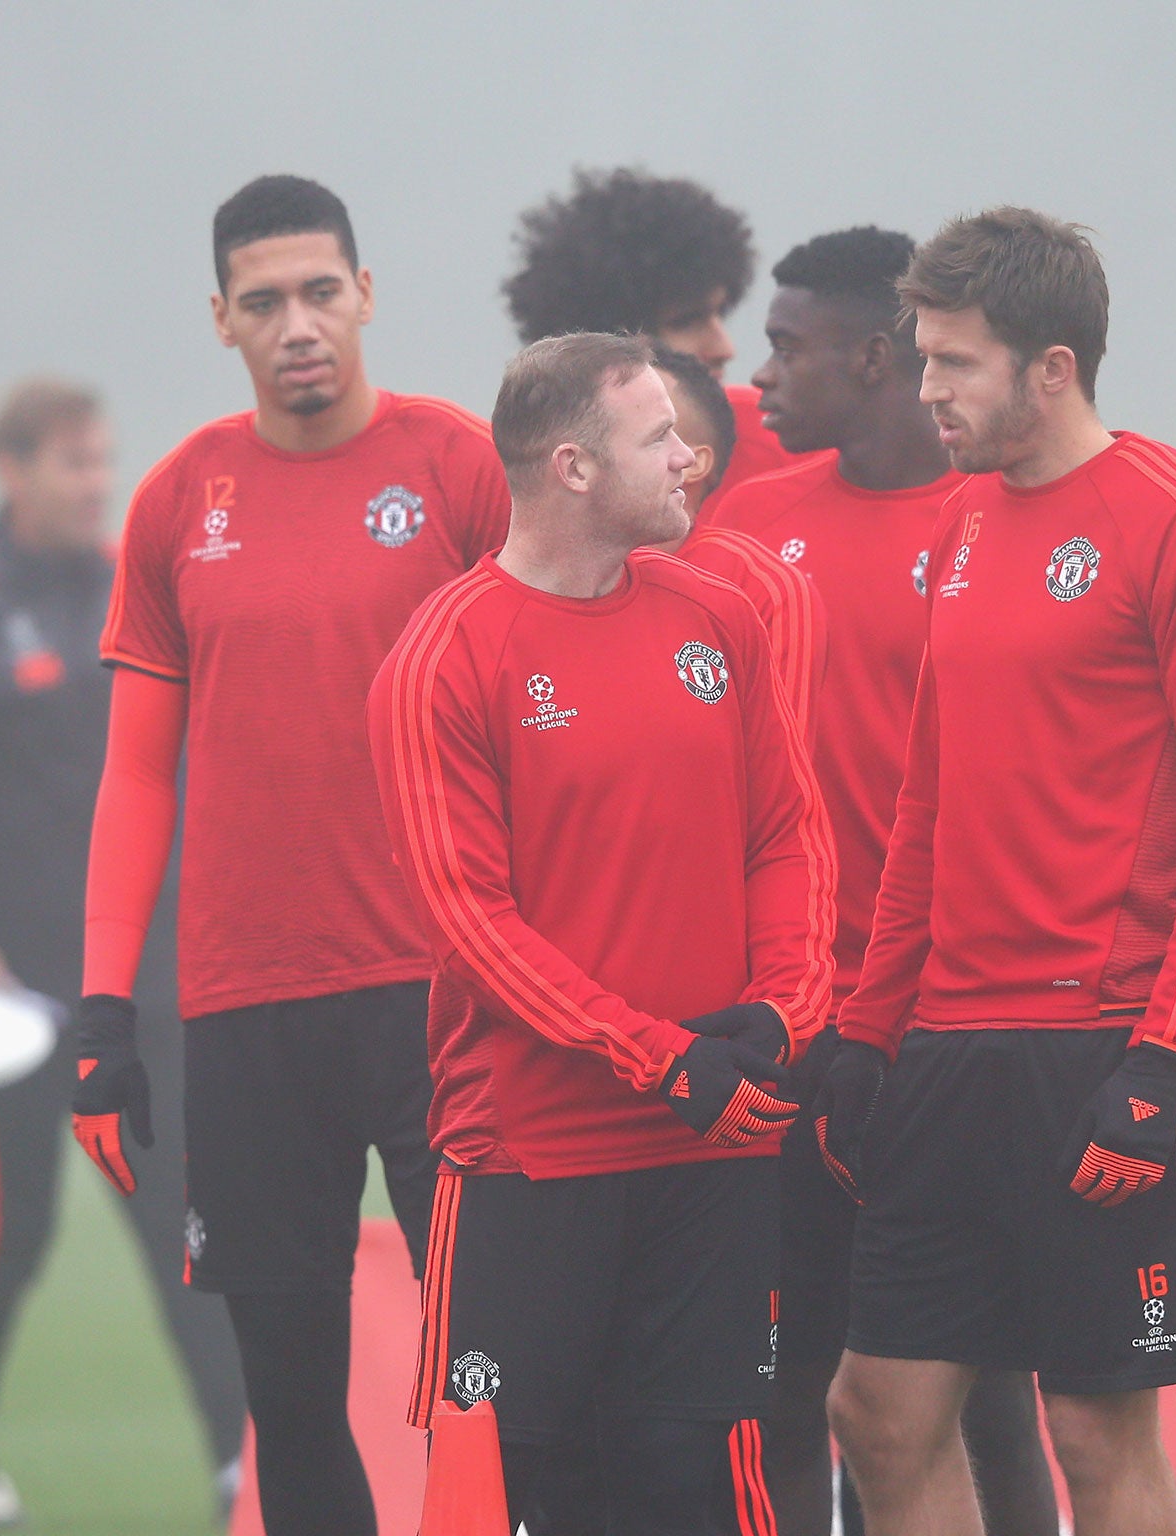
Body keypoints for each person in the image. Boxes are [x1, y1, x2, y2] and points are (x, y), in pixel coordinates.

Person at [815, 208, 1176, 1536]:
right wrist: (866, 1032)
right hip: (945, 1046)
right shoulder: (964, 520)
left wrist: (1163, 1060)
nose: (927, 389)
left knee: (1091, 1428)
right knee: (879, 1412)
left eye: (956, 363)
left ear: (1053, 368)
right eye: (923, 357)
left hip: (1102, 1047)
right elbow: (926, 800)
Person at [71, 176, 512, 1536]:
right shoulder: (176, 500)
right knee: (289, 1395)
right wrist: (102, 1010)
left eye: (321, 292)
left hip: (446, 994)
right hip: (248, 1004)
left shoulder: (457, 467)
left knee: (496, 1380)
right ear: (221, 320)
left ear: (365, 295)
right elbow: (136, 772)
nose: (298, 325)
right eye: (262, 303)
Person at [371, 332, 837, 1534]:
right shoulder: (443, 656)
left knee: (696, 1491)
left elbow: (786, 837)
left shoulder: (719, 618)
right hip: (531, 1155)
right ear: (571, 468)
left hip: (711, 1145)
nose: (691, 459)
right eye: (658, 438)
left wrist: (783, 1012)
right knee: (509, 1497)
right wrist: (658, 1056)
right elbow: (470, 923)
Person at [0, 379, 245, 1530]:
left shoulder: (140, 590)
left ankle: (239, 1469)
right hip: (12, 1004)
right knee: (10, 1234)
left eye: (103, 460)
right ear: (11, 471)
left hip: (147, 992)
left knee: (184, 1231)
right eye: (73, 464)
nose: (96, 484)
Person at [712, 227, 1057, 1536]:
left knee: (984, 1397)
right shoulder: (749, 529)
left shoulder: (997, 522)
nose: (760, 379)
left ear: (871, 358)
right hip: (801, 1030)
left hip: (951, 1031)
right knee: (790, 1388)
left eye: (786, 348)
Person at [502, 166, 812, 507]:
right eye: (686, 321)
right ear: (607, 341)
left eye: (719, 314)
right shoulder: (527, 481)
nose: (724, 348)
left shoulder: (776, 434)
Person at [649, 344, 827, 733]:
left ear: (690, 462)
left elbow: (781, 759)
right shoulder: (556, 575)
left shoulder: (763, 588)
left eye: (647, 430)